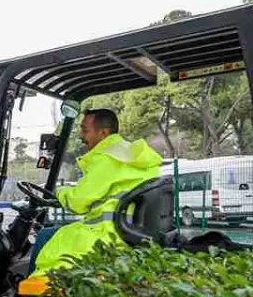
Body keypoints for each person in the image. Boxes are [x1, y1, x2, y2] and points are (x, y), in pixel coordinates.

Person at [30, 109, 162, 275]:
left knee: (45, 236)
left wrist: (60, 192)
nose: (81, 136)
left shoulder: (106, 158)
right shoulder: (131, 155)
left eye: (85, 131)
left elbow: (78, 202)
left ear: (103, 133)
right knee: (55, 231)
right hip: (128, 231)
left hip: (106, 235)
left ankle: (28, 296)